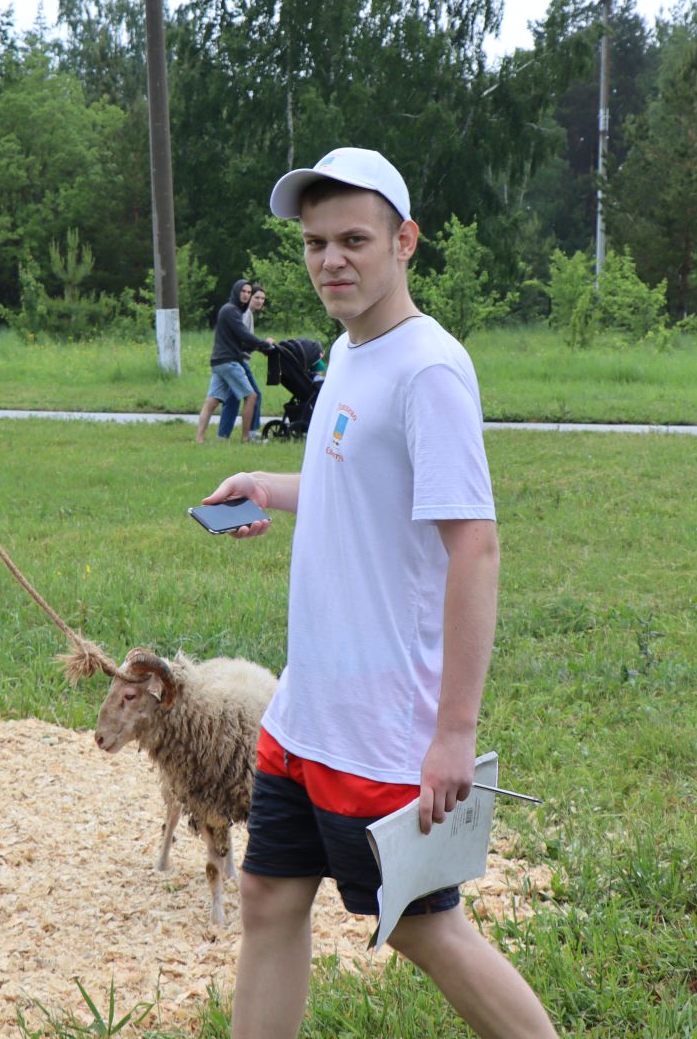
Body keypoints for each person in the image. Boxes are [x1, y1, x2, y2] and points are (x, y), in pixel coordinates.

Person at [201, 147, 556, 1039]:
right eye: (316, 243)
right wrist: (270, 488)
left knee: (425, 927)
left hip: (381, 728)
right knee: (269, 899)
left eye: (354, 238)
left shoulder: (428, 369)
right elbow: (356, 480)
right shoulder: (350, 353)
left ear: (405, 241)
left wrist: (454, 736)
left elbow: (474, 547)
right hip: (305, 710)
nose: (331, 260)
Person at [195, 278, 274, 444]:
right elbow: (243, 334)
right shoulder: (231, 311)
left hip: (219, 361)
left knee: (212, 401)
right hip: (229, 361)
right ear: (236, 292)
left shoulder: (233, 310)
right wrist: (263, 345)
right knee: (251, 396)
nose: (245, 295)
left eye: (248, 292)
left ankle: (200, 439)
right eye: (243, 292)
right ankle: (246, 438)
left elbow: (241, 341)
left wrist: (260, 347)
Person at [218, 284, 268, 440]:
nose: (259, 301)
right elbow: (242, 341)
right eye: (256, 297)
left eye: (262, 298)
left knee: (233, 397)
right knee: (255, 394)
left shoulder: (247, 314)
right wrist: (263, 344)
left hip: (236, 359)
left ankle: (223, 435)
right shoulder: (245, 314)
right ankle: (252, 433)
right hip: (238, 361)